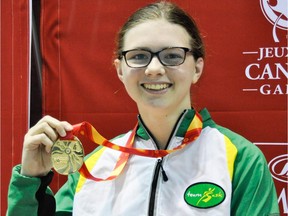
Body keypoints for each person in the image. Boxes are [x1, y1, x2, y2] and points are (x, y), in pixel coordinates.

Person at [7, 1, 279, 215]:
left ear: (197, 67)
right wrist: (31, 180)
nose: (154, 69)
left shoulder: (240, 159)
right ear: (120, 70)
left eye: (172, 55)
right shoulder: (94, 166)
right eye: (138, 56)